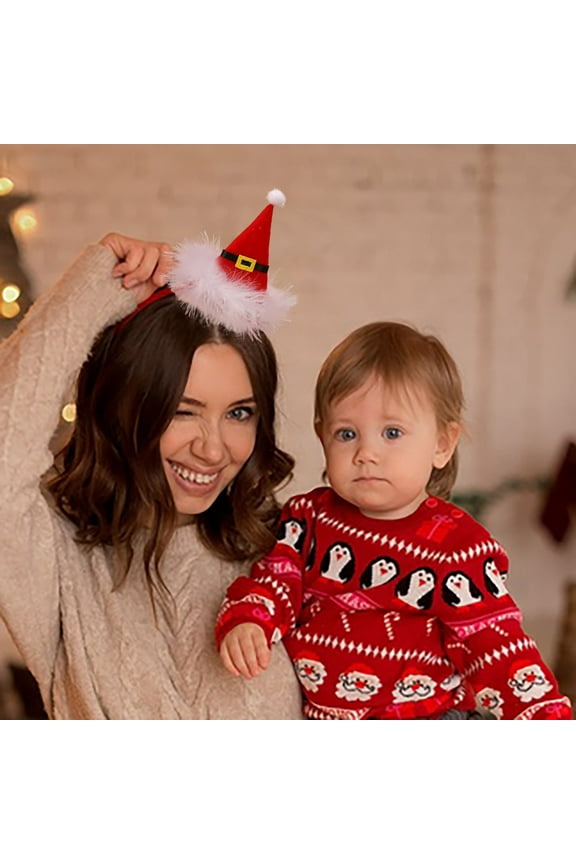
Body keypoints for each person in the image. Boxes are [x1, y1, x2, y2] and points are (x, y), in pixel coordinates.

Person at [0, 189, 303, 719]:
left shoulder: (290, 558)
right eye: (182, 411)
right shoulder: (58, 562)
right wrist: (99, 284)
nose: (213, 448)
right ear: (125, 409)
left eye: (239, 413)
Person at [216, 321, 573, 719]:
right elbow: (276, 577)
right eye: (347, 434)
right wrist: (251, 618)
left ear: (442, 443)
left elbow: (496, 646)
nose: (367, 452)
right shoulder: (309, 519)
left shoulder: (455, 545)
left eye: (392, 432)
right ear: (322, 438)